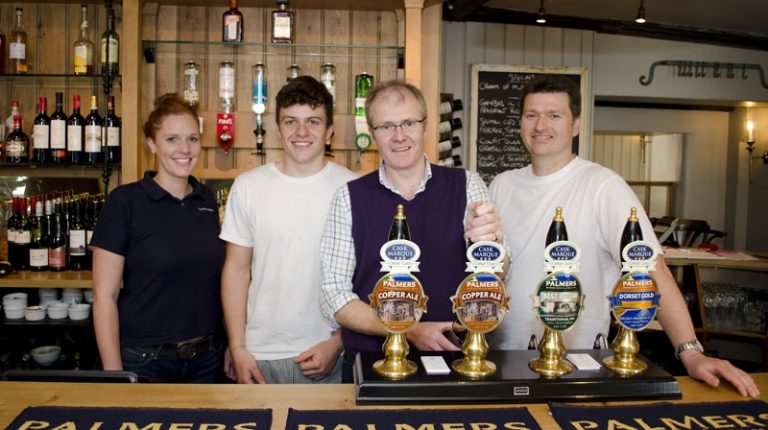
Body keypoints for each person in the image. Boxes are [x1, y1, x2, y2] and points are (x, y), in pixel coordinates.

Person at [488, 74, 759, 397]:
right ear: (520, 123)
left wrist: (690, 351)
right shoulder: (502, 184)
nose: (540, 125)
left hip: (575, 363)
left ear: (576, 125)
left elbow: (650, 270)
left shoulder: (603, 185)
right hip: (500, 357)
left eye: (554, 115)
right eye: (531, 114)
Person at [319, 80, 505, 382]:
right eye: (386, 126)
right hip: (370, 362)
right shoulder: (348, 197)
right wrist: (409, 330)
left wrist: (492, 245)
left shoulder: (468, 185)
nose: (399, 136)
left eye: (408, 123)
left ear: (425, 126)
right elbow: (333, 296)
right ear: (372, 133)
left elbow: (500, 273)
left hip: (458, 357)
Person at [220, 76, 357, 384]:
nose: (301, 132)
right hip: (259, 356)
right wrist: (238, 346)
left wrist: (338, 342)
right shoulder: (248, 186)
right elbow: (236, 270)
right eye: (291, 121)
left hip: (329, 353)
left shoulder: (353, 189)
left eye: (313, 122)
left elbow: (365, 278)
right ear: (278, 129)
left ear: (330, 130)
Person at [91, 93, 225, 383]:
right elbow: (104, 297)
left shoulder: (207, 199)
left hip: (207, 357)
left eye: (192, 139)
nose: (184, 149)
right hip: (145, 360)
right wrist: (114, 375)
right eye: (171, 139)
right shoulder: (125, 202)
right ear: (151, 143)